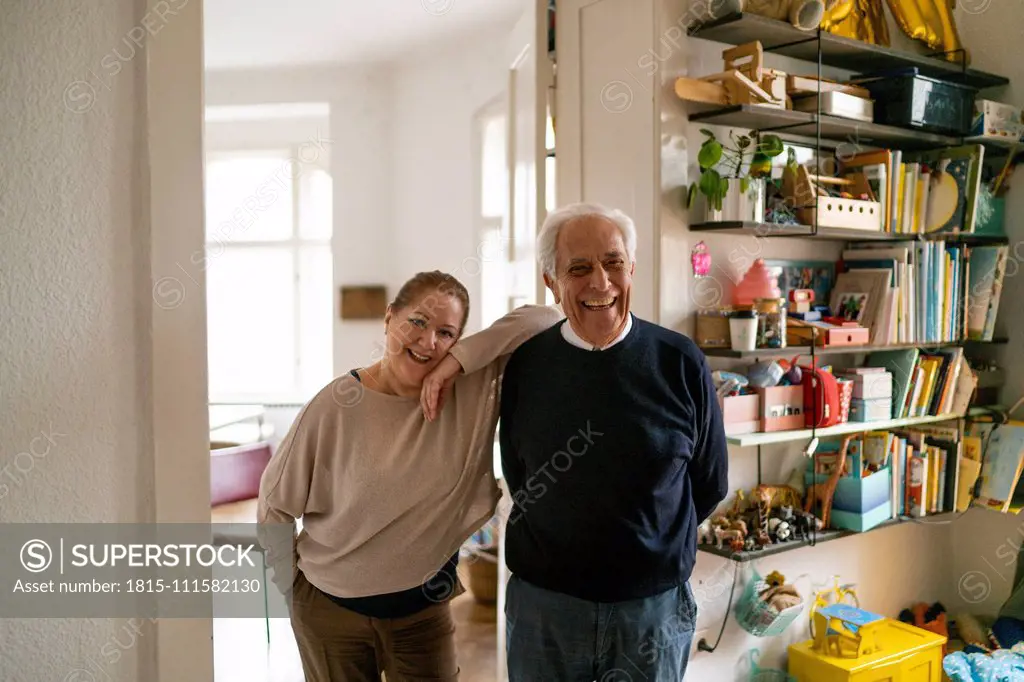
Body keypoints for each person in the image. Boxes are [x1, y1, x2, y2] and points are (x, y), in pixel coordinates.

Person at [257, 270, 562, 682]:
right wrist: (290, 587)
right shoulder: (335, 407)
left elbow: (546, 318)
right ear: (388, 318)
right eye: (417, 322)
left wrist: (455, 362)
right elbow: (274, 503)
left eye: (446, 333)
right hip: (331, 615)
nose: (428, 342)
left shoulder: (471, 389)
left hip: (422, 614)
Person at [498, 203, 730, 681]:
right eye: (578, 268)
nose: (600, 283)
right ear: (550, 280)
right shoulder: (526, 365)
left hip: (652, 614)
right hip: (546, 612)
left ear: (632, 269)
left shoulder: (680, 361)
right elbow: (521, 476)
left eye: (613, 263)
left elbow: (709, 482)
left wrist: (645, 551)